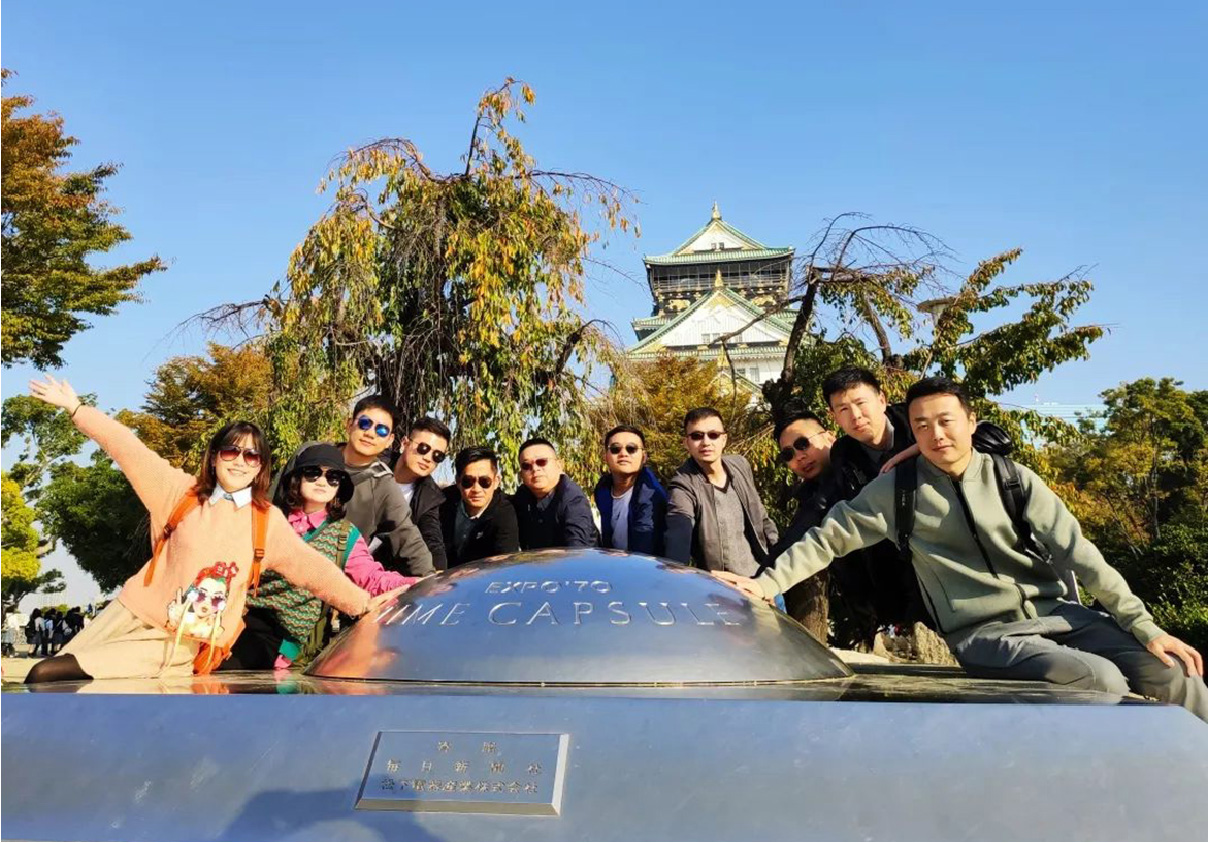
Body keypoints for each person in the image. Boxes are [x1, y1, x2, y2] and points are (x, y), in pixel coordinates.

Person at [719, 376, 1208, 722]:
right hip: (984, 633)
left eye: (946, 421)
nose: (936, 434)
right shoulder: (897, 491)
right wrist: (765, 584)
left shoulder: (1012, 478)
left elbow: (1081, 554)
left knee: (1177, 673)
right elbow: (827, 536)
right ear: (911, 429)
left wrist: (1146, 628)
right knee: (1098, 679)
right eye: (922, 425)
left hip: (1060, 614)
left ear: (972, 421)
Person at [23, 375, 400, 684]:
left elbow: (314, 570)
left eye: (251, 455)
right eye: (231, 451)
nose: (240, 461)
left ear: (260, 467)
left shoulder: (265, 520)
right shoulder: (179, 492)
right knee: (47, 682)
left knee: (49, 673)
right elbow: (128, 448)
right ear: (215, 456)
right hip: (128, 616)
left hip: (179, 645)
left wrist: (363, 604)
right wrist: (77, 409)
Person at [224, 444, 417, 670]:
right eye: (313, 473)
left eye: (333, 477)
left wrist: (422, 582)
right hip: (236, 619)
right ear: (297, 479)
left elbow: (372, 578)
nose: (322, 481)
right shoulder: (269, 519)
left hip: (281, 640)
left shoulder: (344, 535)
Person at [275, 395, 433, 577]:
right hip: (277, 562)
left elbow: (407, 537)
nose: (370, 433)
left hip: (330, 581)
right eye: (365, 423)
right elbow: (270, 503)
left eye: (381, 430)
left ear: (390, 440)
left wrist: (432, 581)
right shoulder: (310, 454)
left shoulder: (382, 484)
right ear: (349, 424)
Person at [665, 407, 778, 575]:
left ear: (724, 439)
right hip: (722, 585)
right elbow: (679, 531)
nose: (706, 442)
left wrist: (777, 561)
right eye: (696, 436)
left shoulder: (740, 466)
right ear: (686, 443)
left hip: (763, 576)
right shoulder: (683, 485)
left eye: (713, 435)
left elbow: (761, 517)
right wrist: (675, 574)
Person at [768, 402, 838, 624]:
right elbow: (793, 539)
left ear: (830, 436)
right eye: (788, 454)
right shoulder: (810, 496)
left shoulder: (858, 468)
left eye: (803, 444)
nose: (799, 456)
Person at [592, 425, 668, 555]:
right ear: (605, 457)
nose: (623, 454)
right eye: (615, 449)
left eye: (631, 449)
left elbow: (644, 548)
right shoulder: (602, 489)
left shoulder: (651, 494)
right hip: (612, 561)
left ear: (644, 457)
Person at [511, 438, 598, 550]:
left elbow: (577, 550)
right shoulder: (522, 496)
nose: (535, 469)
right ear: (521, 475)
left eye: (541, 462)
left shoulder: (573, 499)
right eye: (526, 466)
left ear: (559, 465)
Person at [440, 446, 520, 567]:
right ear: (458, 482)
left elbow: (505, 564)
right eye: (468, 481)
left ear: (496, 481)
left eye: (484, 481)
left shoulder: (504, 513)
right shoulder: (443, 502)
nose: (476, 489)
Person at [393, 416, 452, 571]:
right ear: (404, 443)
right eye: (423, 448)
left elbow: (432, 540)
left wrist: (440, 576)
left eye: (437, 456)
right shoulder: (376, 465)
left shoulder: (431, 497)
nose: (428, 458)